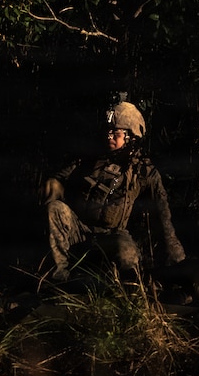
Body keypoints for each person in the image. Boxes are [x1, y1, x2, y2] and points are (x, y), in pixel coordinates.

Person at [41, 99, 185, 283]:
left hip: (113, 236)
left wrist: (177, 261)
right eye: (108, 132)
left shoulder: (144, 171)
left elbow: (163, 217)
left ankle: (123, 288)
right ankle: (60, 280)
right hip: (80, 231)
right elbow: (60, 176)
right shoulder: (90, 159)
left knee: (126, 252)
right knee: (54, 208)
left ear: (131, 136)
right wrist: (54, 182)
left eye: (116, 133)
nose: (109, 137)